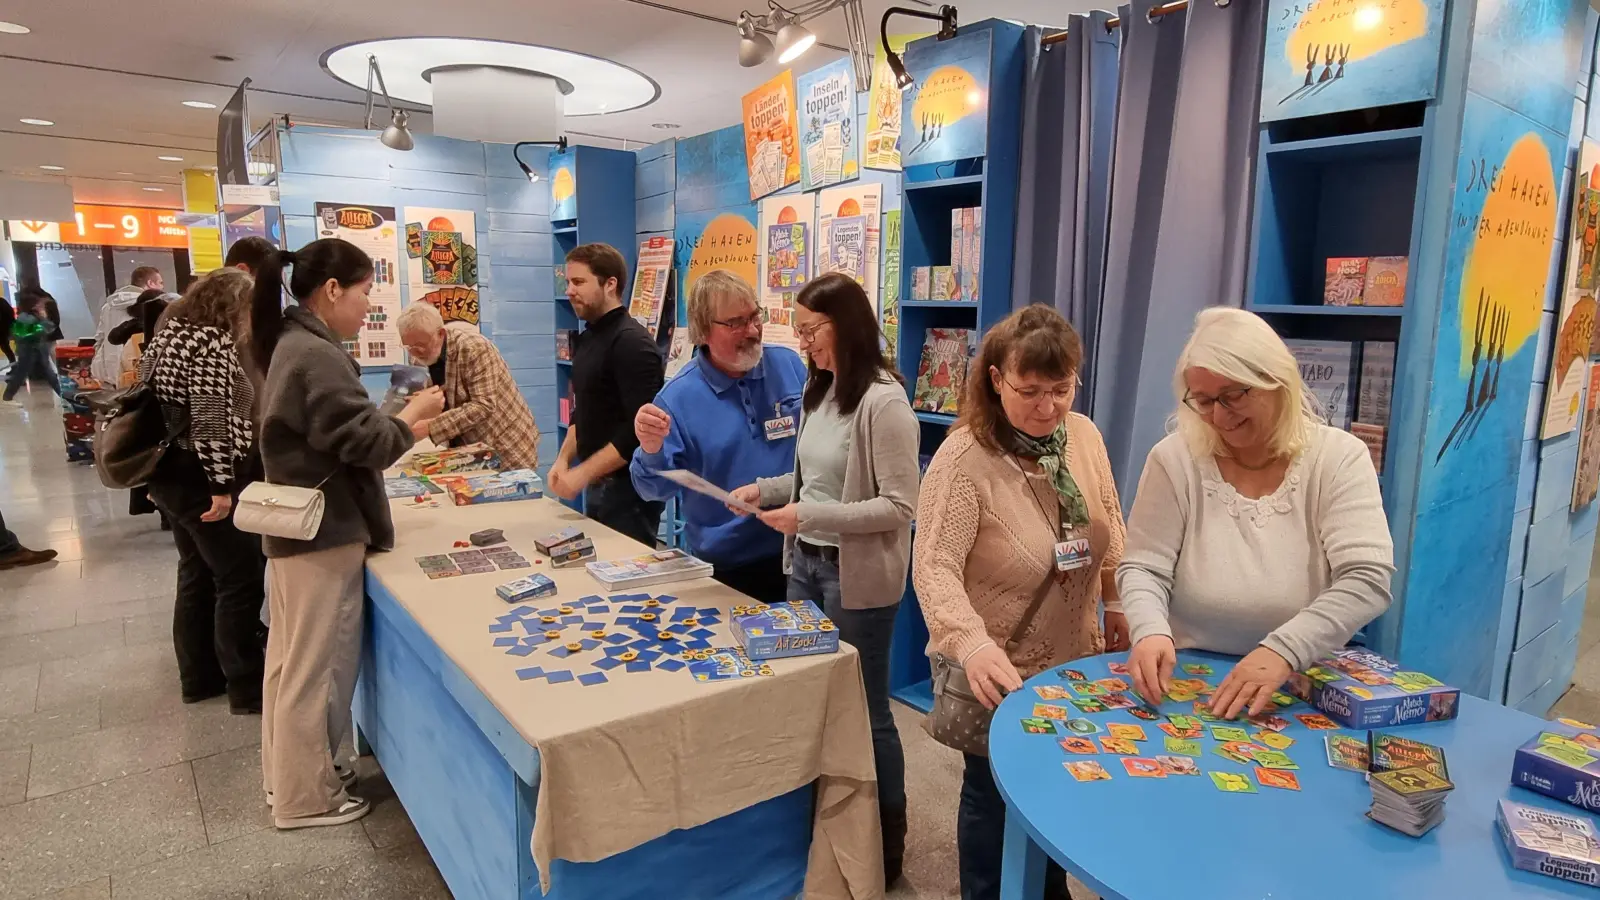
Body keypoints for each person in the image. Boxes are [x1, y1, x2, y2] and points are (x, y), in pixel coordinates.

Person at [913, 304, 1128, 900]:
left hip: (1075, 663)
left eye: (1061, 389)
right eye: (1029, 391)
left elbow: (1110, 523)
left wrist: (1119, 603)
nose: (1047, 407)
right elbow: (933, 568)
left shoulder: (1082, 436)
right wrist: (970, 642)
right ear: (995, 380)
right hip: (1000, 667)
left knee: (1056, 795)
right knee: (992, 799)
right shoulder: (964, 459)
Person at [729, 272, 919, 885]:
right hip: (804, 567)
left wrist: (807, 512)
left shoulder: (885, 403)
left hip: (857, 578)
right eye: (802, 330)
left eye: (813, 330)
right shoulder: (819, 392)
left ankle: (885, 852)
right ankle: (826, 830)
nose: (804, 342)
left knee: (867, 712)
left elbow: (897, 507)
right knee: (812, 700)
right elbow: (810, 483)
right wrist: (766, 491)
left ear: (846, 325)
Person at [251, 238, 444, 828]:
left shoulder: (291, 343)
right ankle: (307, 798)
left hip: (297, 530)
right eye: (363, 293)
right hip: (322, 532)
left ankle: (286, 780)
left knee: (288, 663)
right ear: (332, 290)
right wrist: (410, 420)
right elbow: (367, 443)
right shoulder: (316, 354)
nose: (367, 308)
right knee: (317, 669)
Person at [1120, 308, 1393, 719]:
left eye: (1234, 395)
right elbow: (1143, 567)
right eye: (1204, 400)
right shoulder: (1174, 458)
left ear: (1276, 381)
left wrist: (1284, 649)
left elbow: (1368, 578)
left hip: (1300, 678)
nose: (1219, 415)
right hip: (1185, 679)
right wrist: (1150, 630)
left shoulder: (1340, 457)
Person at [631, 270, 807, 604]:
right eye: (736, 322)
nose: (753, 330)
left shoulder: (790, 366)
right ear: (702, 331)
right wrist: (651, 449)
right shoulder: (678, 398)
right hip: (728, 568)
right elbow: (651, 490)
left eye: (755, 316)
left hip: (801, 553)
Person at [137, 269, 266, 713]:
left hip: (168, 471)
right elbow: (210, 420)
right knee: (240, 579)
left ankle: (199, 676)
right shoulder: (211, 341)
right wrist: (222, 487)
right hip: (200, 475)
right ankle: (247, 687)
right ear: (233, 305)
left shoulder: (171, 331)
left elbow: (149, 400)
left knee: (195, 572)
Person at [551, 243, 664, 545]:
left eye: (578, 282)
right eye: (568, 282)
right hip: (598, 485)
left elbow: (637, 433)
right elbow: (584, 410)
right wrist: (563, 461)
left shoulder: (632, 344)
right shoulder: (589, 337)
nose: (570, 291)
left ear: (610, 284)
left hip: (629, 491)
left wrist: (582, 474)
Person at [396, 301, 539, 469]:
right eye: (408, 346)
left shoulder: (474, 348)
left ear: (441, 334)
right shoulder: (422, 355)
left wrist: (429, 427)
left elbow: (483, 405)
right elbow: (452, 394)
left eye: (420, 345)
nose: (414, 353)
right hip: (469, 451)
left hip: (507, 446)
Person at [92, 265, 163, 383]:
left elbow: (100, 339)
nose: (162, 287)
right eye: (160, 283)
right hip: (138, 370)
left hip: (109, 370)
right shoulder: (150, 305)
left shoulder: (108, 306)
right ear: (150, 283)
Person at [3, 291, 62, 401]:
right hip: (29, 350)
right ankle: (8, 395)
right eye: (38, 303)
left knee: (46, 373)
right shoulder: (26, 318)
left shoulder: (28, 317)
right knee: (22, 374)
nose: (40, 305)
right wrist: (44, 320)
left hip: (34, 350)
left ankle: (63, 395)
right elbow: (41, 330)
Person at [0, 293, 14, 364]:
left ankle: (14, 366)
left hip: (3, 330)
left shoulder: (1, 302)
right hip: (7, 329)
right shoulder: (3, 301)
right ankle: (14, 366)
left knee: (5, 348)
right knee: (6, 348)